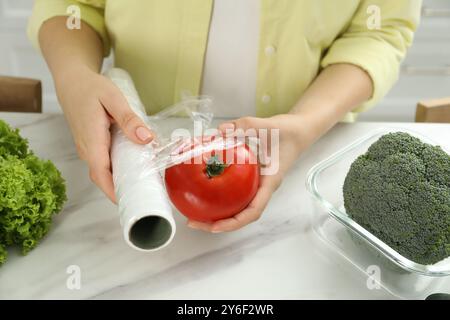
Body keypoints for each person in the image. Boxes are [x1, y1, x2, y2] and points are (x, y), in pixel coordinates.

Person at [28, 0, 422, 232]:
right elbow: (72, 6)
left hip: (306, 150)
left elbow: (379, 31)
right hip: (136, 141)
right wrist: (74, 76)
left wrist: (305, 124)